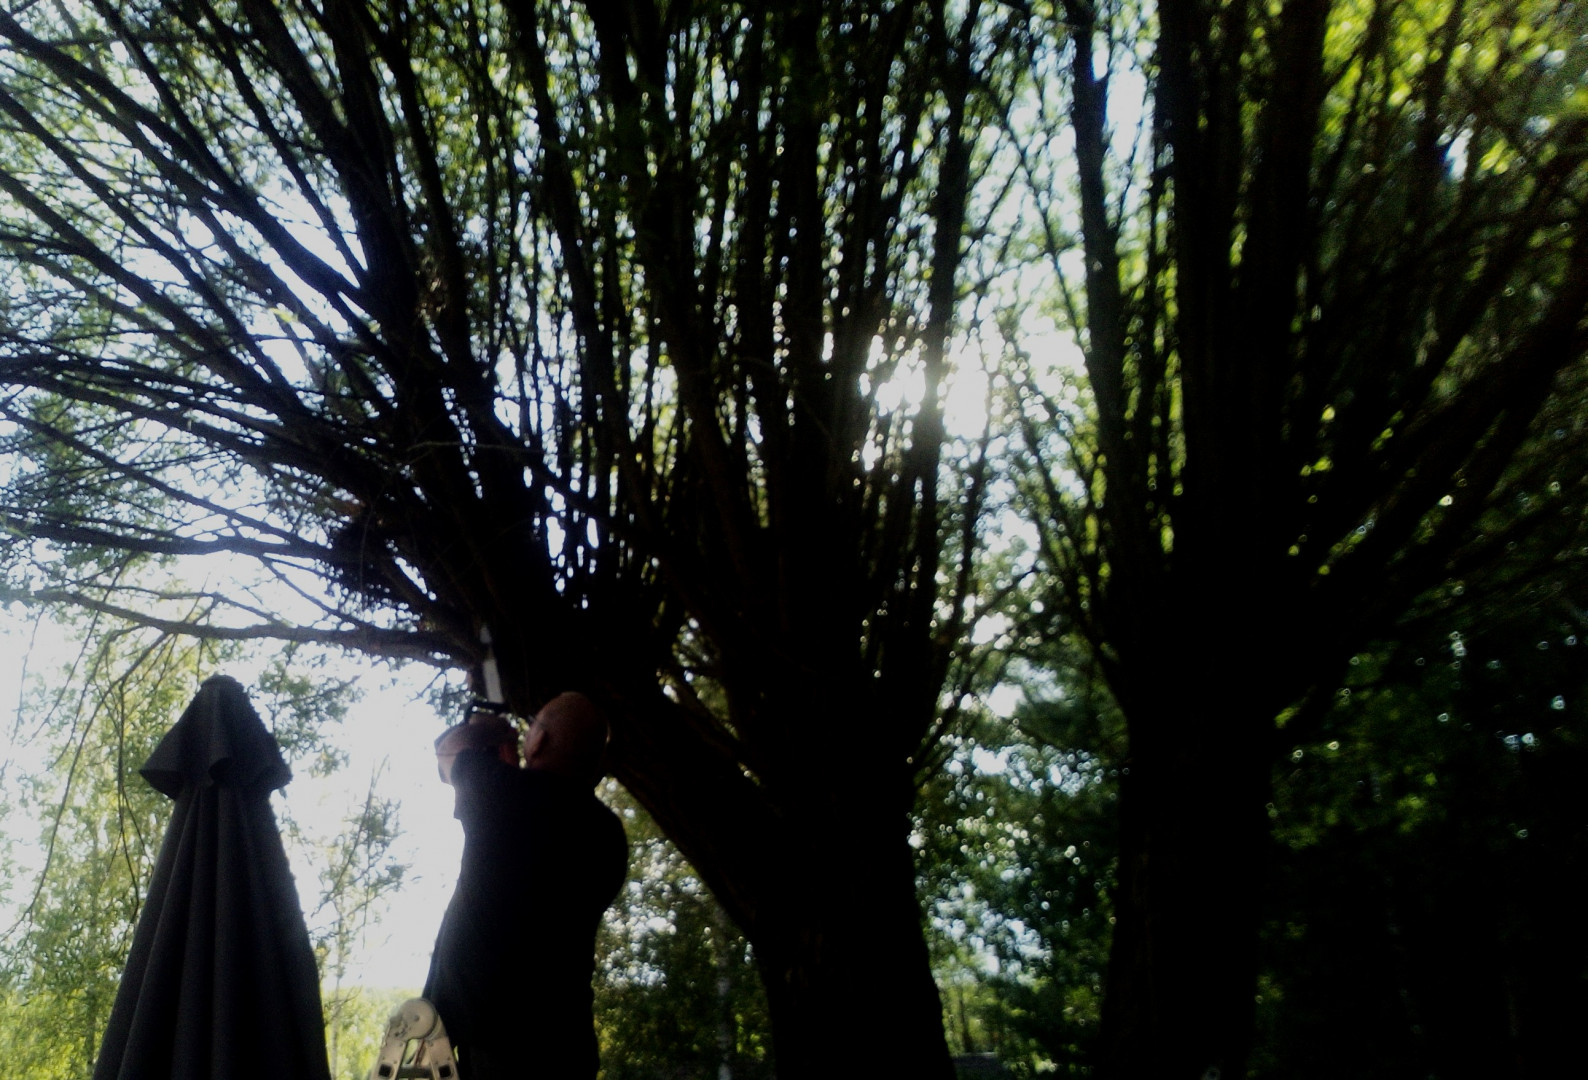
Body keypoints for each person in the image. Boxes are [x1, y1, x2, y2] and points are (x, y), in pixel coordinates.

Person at [423, 692, 628, 1079]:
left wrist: (486, 731)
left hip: (494, 1044)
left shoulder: (506, 795)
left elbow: (448, 754)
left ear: (540, 740)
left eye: (532, 727)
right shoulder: (608, 834)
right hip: (560, 1042)